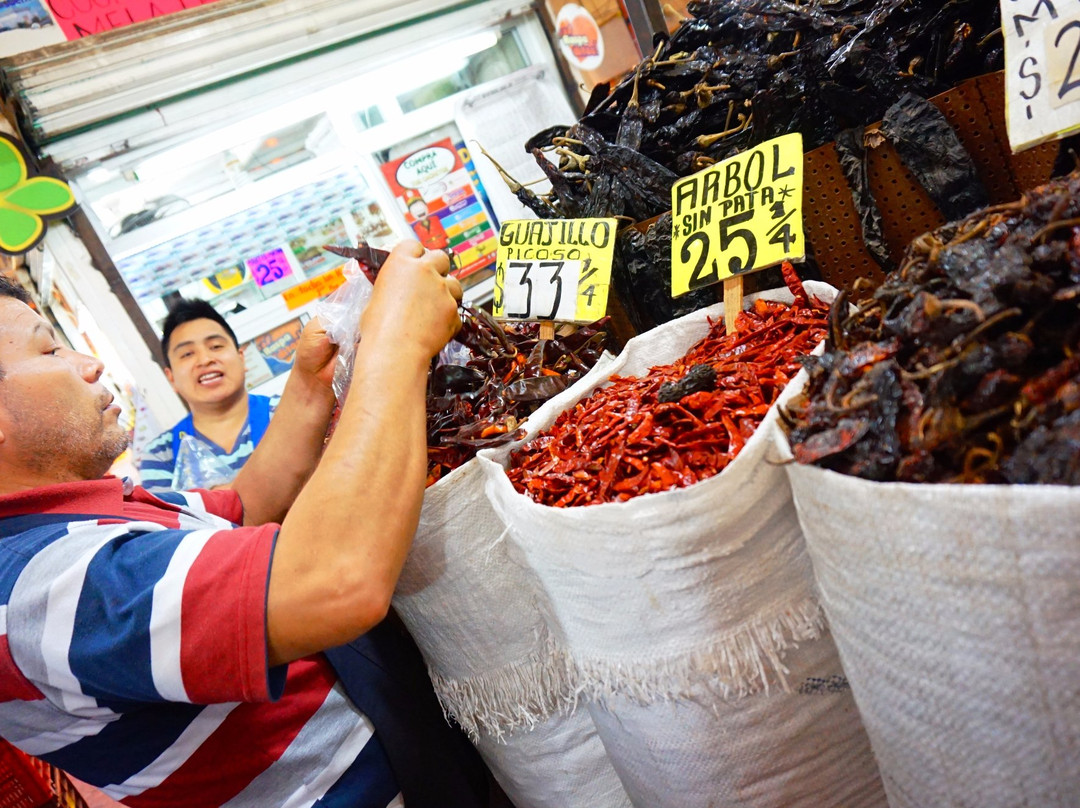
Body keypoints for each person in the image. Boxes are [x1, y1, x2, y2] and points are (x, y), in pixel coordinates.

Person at [0, 242, 490, 807]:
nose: (89, 365)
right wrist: (396, 342)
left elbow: (244, 506)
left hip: (415, 754)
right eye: (50, 351)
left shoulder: (76, 514)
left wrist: (311, 381)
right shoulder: (40, 592)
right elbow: (333, 581)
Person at [139, 298, 277, 492]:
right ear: (171, 378)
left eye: (216, 346)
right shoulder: (161, 455)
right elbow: (177, 521)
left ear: (241, 358)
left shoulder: (286, 411)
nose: (205, 360)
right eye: (187, 354)